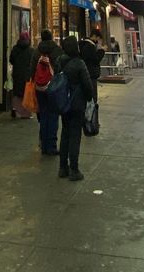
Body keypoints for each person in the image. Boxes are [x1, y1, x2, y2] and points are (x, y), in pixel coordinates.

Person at [55, 36, 95, 182]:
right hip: (77, 105)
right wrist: (89, 98)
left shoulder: (59, 61)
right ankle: (74, 169)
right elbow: (88, 86)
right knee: (75, 136)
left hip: (63, 103)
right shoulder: (79, 63)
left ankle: (62, 167)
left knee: (65, 134)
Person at [32, 30, 64, 155]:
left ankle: (43, 145)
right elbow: (61, 68)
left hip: (39, 88)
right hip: (53, 88)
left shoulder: (37, 51)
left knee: (43, 115)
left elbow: (31, 68)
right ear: (51, 37)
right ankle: (51, 145)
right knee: (53, 116)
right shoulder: (57, 50)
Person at [8, 31, 34, 119]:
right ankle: (25, 113)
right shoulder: (31, 50)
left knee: (16, 92)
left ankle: (15, 109)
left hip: (16, 73)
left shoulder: (15, 49)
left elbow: (11, 60)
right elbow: (33, 63)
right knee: (25, 93)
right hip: (26, 74)